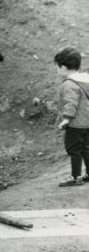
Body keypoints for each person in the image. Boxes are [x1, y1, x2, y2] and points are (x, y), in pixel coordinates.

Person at [54, 48, 89, 187]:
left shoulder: (69, 84)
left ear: (62, 67)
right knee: (86, 148)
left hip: (75, 124)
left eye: (56, 67)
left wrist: (66, 119)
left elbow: (71, 103)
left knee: (73, 149)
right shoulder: (86, 80)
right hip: (87, 122)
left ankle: (76, 176)